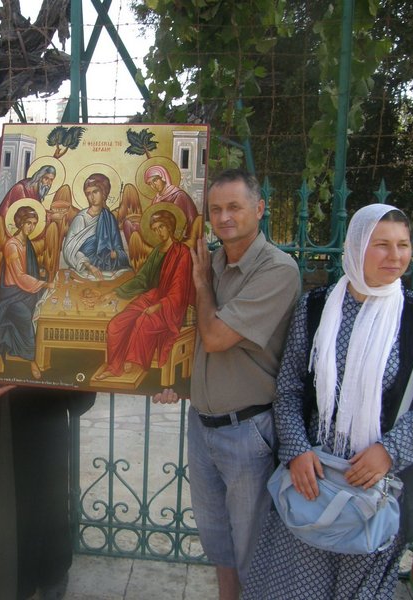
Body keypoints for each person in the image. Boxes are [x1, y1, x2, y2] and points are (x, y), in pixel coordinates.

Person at [243, 205, 413, 599]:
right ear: (356, 247)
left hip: (374, 488)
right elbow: (289, 389)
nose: (395, 256)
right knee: (298, 587)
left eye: (403, 245)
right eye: (382, 245)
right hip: (313, 481)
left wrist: (388, 452)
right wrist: (297, 450)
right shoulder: (316, 307)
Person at [0, 164, 96, 600]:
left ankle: (49, 573)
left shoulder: (41, 252)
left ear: (0, 207)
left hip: (38, 400)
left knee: (44, 488)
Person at [154, 169, 301, 599]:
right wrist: (171, 381)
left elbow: (216, 337)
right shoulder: (212, 261)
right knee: (217, 539)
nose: (224, 217)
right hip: (202, 424)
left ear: (259, 208)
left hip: (247, 431)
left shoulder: (277, 270)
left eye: (234, 207)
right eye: (215, 209)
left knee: (252, 545)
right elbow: (187, 335)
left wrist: (201, 285)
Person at [93, 209, 194, 380]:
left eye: (161, 227)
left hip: (171, 305)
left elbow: (179, 289)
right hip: (152, 297)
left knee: (143, 321)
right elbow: (142, 279)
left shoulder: (182, 252)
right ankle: (113, 367)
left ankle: (132, 362)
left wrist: (159, 306)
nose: (159, 232)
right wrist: (114, 293)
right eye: (155, 229)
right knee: (117, 323)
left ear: (170, 226)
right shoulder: (157, 250)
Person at [0, 205, 54, 380]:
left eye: (34, 223)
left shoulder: (26, 243)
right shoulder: (11, 245)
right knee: (27, 318)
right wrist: (44, 284)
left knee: (44, 310)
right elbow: (19, 276)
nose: (31, 227)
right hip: (11, 297)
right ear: (20, 223)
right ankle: (31, 360)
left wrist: (40, 274)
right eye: (28, 223)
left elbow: (28, 269)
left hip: (26, 291)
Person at [61, 172, 130, 279]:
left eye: (95, 192)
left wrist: (116, 254)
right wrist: (89, 266)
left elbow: (119, 249)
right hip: (84, 268)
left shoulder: (109, 218)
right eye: (88, 193)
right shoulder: (81, 219)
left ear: (104, 193)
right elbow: (69, 251)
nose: (92, 197)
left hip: (108, 266)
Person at [144, 164, 198, 236]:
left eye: (155, 180)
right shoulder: (156, 199)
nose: (153, 185)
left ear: (163, 177)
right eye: (150, 183)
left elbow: (180, 220)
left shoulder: (178, 195)